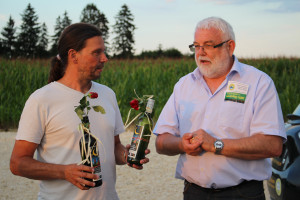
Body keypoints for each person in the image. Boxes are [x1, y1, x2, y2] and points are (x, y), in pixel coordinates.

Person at [10, 23, 149, 200]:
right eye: (96, 52)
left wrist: (127, 155)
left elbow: (114, 146)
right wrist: (64, 172)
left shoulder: (107, 94)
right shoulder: (42, 99)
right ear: (73, 55)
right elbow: (17, 163)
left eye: (104, 52)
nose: (105, 58)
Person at [154, 17, 286, 200]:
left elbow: (273, 145)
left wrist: (216, 144)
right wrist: (180, 144)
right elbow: (161, 142)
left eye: (208, 45)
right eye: (196, 46)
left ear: (229, 46)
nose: (200, 53)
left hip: (242, 194)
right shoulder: (183, 86)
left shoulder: (259, 83)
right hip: (193, 193)